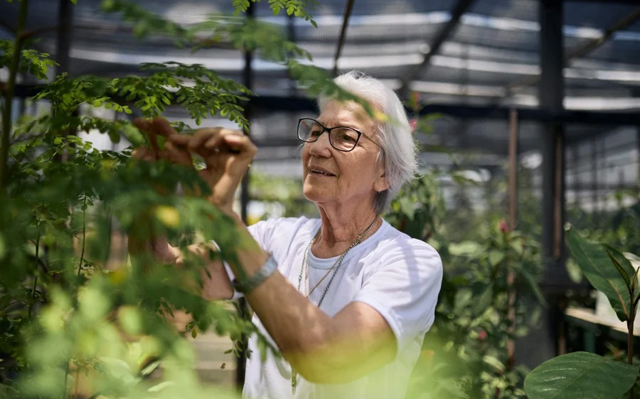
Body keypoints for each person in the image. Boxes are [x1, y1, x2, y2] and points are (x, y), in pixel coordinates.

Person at [133, 71, 443, 399]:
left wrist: (222, 218)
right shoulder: (277, 237)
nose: (319, 147)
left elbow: (330, 357)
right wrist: (147, 201)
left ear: (385, 172)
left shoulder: (409, 262)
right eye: (316, 131)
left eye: (345, 137)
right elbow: (161, 272)